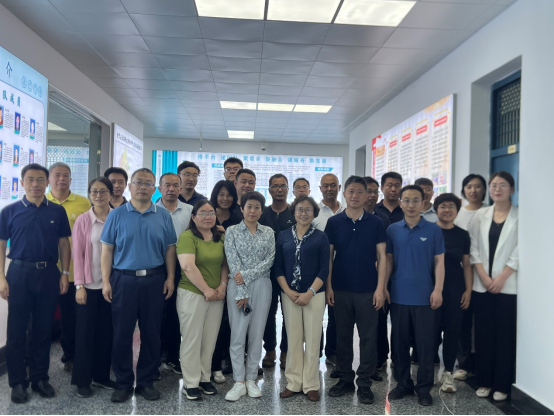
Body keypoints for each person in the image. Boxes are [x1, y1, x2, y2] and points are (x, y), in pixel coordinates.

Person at [101, 168, 177, 403]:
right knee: (122, 333)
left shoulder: (163, 215)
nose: (143, 187)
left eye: (148, 183)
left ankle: (145, 381)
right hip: (123, 280)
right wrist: (106, 281)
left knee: (152, 333)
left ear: (154, 189)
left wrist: (170, 277)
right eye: (138, 183)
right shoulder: (116, 214)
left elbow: (170, 249)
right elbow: (107, 250)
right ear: (130, 186)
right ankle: (123, 382)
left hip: (154, 280)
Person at [0, 163, 71, 404]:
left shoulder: (57, 211)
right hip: (19, 274)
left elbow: (64, 243)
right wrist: (1, 277)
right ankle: (18, 382)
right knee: (16, 331)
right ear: (22, 183)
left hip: (49, 273)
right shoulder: (9, 211)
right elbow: (1, 245)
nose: (35, 184)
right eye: (30, 179)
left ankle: (40, 377)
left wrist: (65, 273)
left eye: (40, 179)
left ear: (47, 183)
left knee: (43, 329)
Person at [325, 176, 387, 405]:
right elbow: (329, 257)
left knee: (368, 338)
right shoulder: (334, 222)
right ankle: (344, 378)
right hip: (340, 289)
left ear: (367, 194)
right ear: (344, 193)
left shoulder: (376, 222)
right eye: (351, 191)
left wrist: (380, 288)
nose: (355, 195)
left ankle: (365, 383)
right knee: (342, 336)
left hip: (368, 290)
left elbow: (382, 257)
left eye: (360, 191)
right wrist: (329, 286)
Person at [386, 185, 445, 407]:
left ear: (423, 203)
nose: (411, 205)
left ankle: (424, 388)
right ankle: (403, 384)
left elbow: (439, 262)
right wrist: (384, 287)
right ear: (400, 203)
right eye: (407, 200)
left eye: (415, 200)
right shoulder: (392, 230)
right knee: (399, 344)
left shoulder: (434, 230)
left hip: (425, 297)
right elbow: (388, 261)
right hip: (399, 296)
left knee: (426, 345)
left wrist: (438, 289)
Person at [469, 171, 518, 402]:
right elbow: (473, 247)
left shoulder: (520, 216)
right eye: (494, 185)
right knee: (483, 334)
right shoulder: (481, 214)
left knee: (505, 336)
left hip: (507, 286)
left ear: (512, 189)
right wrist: (483, 276)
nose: (497, 189)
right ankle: (484, 381)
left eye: (503, 185)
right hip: (482, 285)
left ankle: (502, 384)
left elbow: (520, 250)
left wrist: (501, 277)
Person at [275, 195, 329, 402]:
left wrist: (310, 292)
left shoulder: (321, 237)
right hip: (289, 294)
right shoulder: (283, 236)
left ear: (314, 213)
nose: (304, 213)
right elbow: (278, 266)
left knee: (313, 339)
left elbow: (324, 268)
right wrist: (288, 291)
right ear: (294, 212)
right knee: (294, 338)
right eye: (300, 209)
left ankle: (311, 384)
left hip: (314, 294)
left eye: (308, 210)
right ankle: (293, 382)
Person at [224, 191, 275, 402]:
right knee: (237, 334)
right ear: (242, 209)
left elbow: (269, 260)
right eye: (248, 207)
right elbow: (232, 261)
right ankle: (239, 381)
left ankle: (252, 378)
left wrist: (246, 275)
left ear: (262, 210)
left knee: (256, 333)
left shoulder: (268, 232)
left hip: (262, 284)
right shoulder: (232, 231)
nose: (252, 211)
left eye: (256, 207)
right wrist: (242, 289)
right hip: (237, 286)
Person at [176, 200, 228, 400]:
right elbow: (188, 266)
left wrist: (222, 286)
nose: (208, 217)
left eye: (211, 213)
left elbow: (225, 263)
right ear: (193, 217)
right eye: (203, 213)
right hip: (193, 294)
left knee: (209, 339)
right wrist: (206, 290)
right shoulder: (187, 237)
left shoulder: (220, 236)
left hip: (216, 295)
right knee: (192, 339)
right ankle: (191, 382)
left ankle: (204, 378)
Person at [71, 178, 117, 398]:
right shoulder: (83, 220)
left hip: (112, 286)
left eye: (103, 191)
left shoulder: (118, 217)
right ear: (89, 194)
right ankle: (83, 380)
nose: (98, 195)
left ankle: (101, 376)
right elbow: (77, 255)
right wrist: (79, 285)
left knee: (106, 334)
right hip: (89, 286)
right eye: (94, 191)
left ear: (111, 194)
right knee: (85, 334)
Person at [47, 162, 92, 372]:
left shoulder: (83, 203)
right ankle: (35, 363)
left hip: (74, 272)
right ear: (49, 179)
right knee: (41, 318)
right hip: (47, 272)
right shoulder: (42, 202)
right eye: (57, 175)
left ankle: (70, 356)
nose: (61, 179)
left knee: (70, 318)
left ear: (71, 179)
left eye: (65, 175)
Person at [433, 193, 473, 393]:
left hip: (455, 289)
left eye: (451, 206)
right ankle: (427, 373)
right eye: (443, 206)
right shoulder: (430, 231)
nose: (447, 210)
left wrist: (468, 290)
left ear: (457, 211)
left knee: (452, 332)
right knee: (430, 333)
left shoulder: (462, 235)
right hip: (431, 287)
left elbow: (466, 264)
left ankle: (448, 373)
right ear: (436, 209)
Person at [157, 173, 193, 376]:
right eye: (167, 185)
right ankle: (155, 357)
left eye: (175, 186)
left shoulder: (190, 211)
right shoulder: (151, 210)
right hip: (156, 267)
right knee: (155, 314)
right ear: (159, 188)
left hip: (184, 268)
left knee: (176, 313)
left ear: (180, 188)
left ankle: (173, 356)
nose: (171, 189)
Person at [453, 173, 487, 381]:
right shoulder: (458, 214)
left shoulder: (490, 211)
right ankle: (464, 363)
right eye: (469, 187)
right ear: (463, 190)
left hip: (485, 276)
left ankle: (483, 362)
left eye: (477, 186)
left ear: (484, 190)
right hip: (462, 275)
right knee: (463, 321)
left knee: (482, 322)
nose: (473, 190)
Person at [260, 174, 296, 370]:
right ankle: (270, 350)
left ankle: (286, 352)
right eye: (275, 186)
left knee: (289, 314)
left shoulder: (294, 213)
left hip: (290, 273)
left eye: (283, 186)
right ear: (270, 190)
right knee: (268, 313)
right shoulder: (262, 213)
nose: (279, 189)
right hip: (266, 273)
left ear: (288, 189)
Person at [209, 180, 242, 382]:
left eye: (229, 194)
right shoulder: (207, 215)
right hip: (208, 276)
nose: (225, 198)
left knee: (229, 322)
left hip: (232, 277)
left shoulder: (238, 219)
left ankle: (227, 361)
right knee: (212, 324)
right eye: (221, 194)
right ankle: (211, 364)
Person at [311, 173, 343, 370]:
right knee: (316, 315)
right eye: (326, 185)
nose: (329, 189)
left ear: (339, 188)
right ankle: (315, 353)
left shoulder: (347, 211)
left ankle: (332, 353)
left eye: (333, 185)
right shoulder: (314, 212)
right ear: (320, 188)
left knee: (336, 315)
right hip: (317, 271)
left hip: (340, 270)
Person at [363, 176, 390, 375]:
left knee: (378, 322)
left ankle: (379, 360)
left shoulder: (382, 218)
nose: (371, 195)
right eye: (368, 191)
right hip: (354, 278)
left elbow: (386, 253)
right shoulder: (346, 217)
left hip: (379, 278)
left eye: (374, 191)